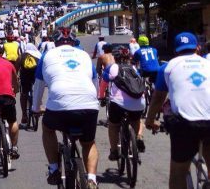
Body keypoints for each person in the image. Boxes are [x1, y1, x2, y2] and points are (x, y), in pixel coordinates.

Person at [32, 32, 99, 189]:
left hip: (59, 106)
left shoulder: (47, 55)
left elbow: (39, 85)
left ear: (56, 43)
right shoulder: (84, 55)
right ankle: (91, 179)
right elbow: (95, 81)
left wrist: (36, 108)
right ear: (74, 42)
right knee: (88, 143)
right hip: (88, 104)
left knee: (48, 129)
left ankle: (54, 168)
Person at [146, 32, 210, 189]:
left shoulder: (167, 67)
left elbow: (158, 99)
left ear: (175, 51)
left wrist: (150, 120)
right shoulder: (208, 63)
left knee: (177, 174)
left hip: (185, 124)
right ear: (198, 48)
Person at [103, 46, 146, 160]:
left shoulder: (114, 67)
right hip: (139, 102)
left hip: (119, 104)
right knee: (137, 120)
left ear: (115, 57)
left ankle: (114, 151)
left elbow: (106, 79)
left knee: (113, 125)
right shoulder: (134, 68)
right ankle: (139, 136)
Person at [19, 43, 41, 128]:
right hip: (36, 77)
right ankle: (38, 107)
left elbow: (15, 69)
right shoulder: (39, 55)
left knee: (24, 94)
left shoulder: (22, 56)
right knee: (38, 91)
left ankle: (24, 115)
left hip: (25, 78)